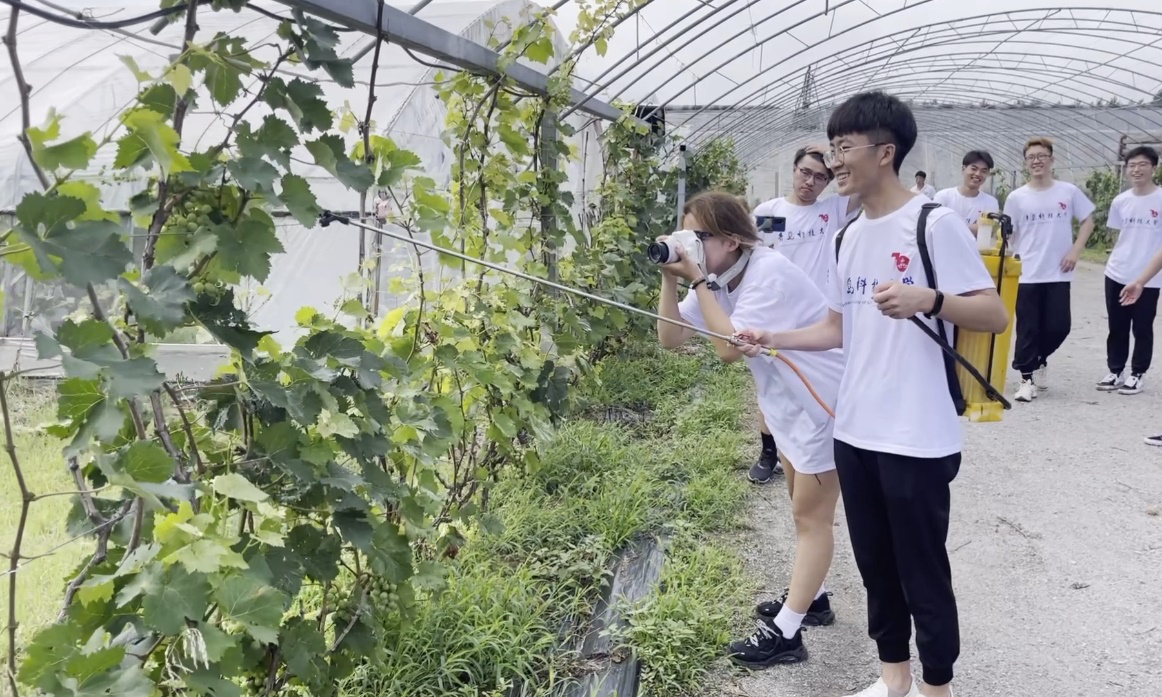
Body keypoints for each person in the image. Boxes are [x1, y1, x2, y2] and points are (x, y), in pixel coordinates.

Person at [737, 90, 1008, 697]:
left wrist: (929, 299)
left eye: (843, 147)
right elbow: (837, 327)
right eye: (831, 147)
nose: (833, 161)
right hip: (855, 430)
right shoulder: (849, 235)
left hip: (915, 433)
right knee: (876, 569)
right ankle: (894, 680)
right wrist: (772, 338)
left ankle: (936, 688)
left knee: (921, 571)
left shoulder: (932, 223)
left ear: (885, 152)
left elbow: (993, 314)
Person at [655, 191, 845, 669]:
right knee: (799, 505)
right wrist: (670, 277)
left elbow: (727, 349)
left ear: (733, 240)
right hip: (786, 402)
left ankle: (786, 634)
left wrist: (697, 279)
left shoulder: (767, 273)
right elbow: (671, 338)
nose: (690, 246)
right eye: (685, 236)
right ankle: (814, 599)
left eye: (698, 237)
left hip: (823, 403)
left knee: (812, 519)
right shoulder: (718, 275)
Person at [745, 147, 860, 485]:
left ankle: (817, 451)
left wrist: (836, 157)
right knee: (770, 386)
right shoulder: (769, 213)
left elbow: (862, 182)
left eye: (820, 177)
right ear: (794, 169)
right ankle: (769, 452)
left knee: (816, 386)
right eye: (805, 172)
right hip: (776, 317)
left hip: (818, 320)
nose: (810, 181)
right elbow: (751, 256)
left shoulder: (832, 211)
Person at [1003, 137, 1096, 403]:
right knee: (1028, 329)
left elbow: (1088, 221)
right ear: (1026, 163)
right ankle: (1026, 380)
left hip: (1058, 272)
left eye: (1041, 156)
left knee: (1059, 326)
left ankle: (1039, 360)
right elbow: (1009, 233)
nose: (1037, 161)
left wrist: (1075, 250)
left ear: (1052, 160)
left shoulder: (1068, 191)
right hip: (1027, 272)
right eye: (1031, 157)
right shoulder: (1016, 197)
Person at [1096, 146, 1162, 395]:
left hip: (1149, 277)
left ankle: (1137, 373)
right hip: (1117, 272)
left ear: (1154, 167)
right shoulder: (1121, 201)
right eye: (1132, 165)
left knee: (1142, 326)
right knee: (1117, 325)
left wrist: (1143, 279)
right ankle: (1115, 370)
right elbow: (1121, 237)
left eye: (1143, 164)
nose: (1136, 170)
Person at [933, 151, 999, 239]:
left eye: (983, 171)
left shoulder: (990, 202)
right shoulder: (943, 197)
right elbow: (935, 227)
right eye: (974, 169)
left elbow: (988, 232)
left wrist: (951, 226)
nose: (978, 174)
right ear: (963, 169)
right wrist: (974, 228)